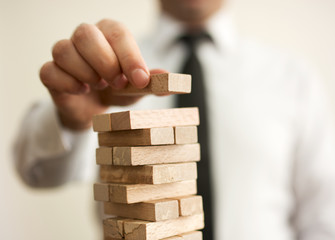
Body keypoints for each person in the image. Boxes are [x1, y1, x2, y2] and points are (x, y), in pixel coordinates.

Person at [13, 0, 335, 239]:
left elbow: (324, 219)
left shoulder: (293, 78)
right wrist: (73, 119)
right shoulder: (106, 68)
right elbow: (35, 170)